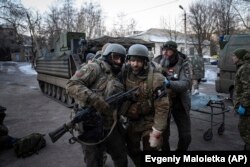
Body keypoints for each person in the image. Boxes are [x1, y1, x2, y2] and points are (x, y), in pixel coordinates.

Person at [66, 43, 128, 167]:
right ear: (108, 56)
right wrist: (95, 100)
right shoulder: (94, 68)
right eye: (116, 57)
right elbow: (71, 85)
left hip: (110, 124)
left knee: (121, 156)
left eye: (121, 58)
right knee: (94, 161)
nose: (119, 61)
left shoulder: (119, 74)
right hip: (90, 125)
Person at [121, 44, 169, 167]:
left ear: (145, 62)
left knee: (151, 150)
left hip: (149, 122)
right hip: (132, 121)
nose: (135, 64)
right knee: (131, 149)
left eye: (139, 61)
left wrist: (157, 131)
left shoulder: (155, 79)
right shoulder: (125, 74)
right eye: (132, 60)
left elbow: (162, 107)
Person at [153, 40, 192, 151]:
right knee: (163, 135)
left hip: (180, 102)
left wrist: (169, 83)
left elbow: (186, 83)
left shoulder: (183, 62)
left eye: (168, 51)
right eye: (164, 50)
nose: (165, 53)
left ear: (174, 51)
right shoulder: (157, 61)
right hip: (163, 103)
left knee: (186, 136)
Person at [232, 48, 250, 151]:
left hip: (247, 107)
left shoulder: (246, 68)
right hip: (246, 105)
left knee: (245, 130)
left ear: (239, 57)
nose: (232, 57)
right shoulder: (243, 67)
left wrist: (243, 105)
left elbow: (248, 89)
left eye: (234, 56)